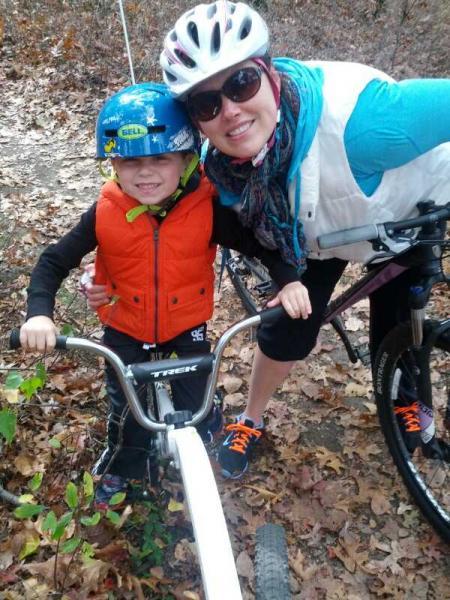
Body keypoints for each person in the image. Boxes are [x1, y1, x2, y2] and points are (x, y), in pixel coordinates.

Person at [157, 0, 450, 479]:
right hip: (310, 236)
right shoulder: (222, 173)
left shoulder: (369, 125)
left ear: (270, 73)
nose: (229, 112)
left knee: (401, 319)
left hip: (405, 212)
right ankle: (251, 416)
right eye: (207, 104)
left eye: (241, 83)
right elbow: (152, 203)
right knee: (288, 328)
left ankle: (403, 397)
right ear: (196, 120)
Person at [20, 81, 311, 507]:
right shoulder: (105, 211)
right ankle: (123, 463)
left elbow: (259, 244)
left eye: (161, 158)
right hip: (125, 327)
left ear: (187, 160)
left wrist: (289, 281)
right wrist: (39, 313)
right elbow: (53, 261)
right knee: (126, 410)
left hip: (186, 324)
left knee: (197, 395)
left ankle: (208, 428)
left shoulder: (206, 208)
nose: (146, 172)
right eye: (130, 161)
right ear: (113, 165)